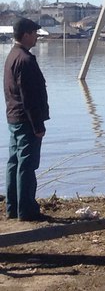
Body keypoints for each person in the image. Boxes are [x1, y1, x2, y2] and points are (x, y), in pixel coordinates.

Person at [4, 18, 50, 222]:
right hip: (26, 121)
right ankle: (27, 210)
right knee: (27, 165)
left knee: (14, 163)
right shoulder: (25, 60)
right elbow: (29, 97)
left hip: (14, 118)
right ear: (25, 35)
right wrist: (38, 125)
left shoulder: (12, 56)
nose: (37, 37)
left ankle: (12, 207)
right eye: (34, 33)